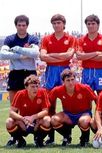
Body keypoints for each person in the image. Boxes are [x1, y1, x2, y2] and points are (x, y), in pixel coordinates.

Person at [0, 14, 39, 146]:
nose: (21, 27)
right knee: (14, 108)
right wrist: (24, 54)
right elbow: (2, 54)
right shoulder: (10, 39)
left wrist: (17, 50)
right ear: (16, 26)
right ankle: (16, 137)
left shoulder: (32, 38)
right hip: (15, 74)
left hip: (30, 74)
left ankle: (37, 135)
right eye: (19, 25)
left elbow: (35, 53)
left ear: (27, 26)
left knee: (34, 107)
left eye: (24, 25)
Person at [40, 14, 76, 145]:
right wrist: (61, 57)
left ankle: (68, 134)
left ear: (63, 24)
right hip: (51, 72)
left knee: (68, 104)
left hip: (65, 70)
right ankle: (51, 137)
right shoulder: (46, 39)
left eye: (59, 23)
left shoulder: (71, 38)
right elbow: (43, 57)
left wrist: (52, 56)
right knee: (50, 106)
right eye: (54, 23)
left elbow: (69, 55)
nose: (56, 25)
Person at [50, 69, 97, 146]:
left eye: (72, 79)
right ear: (63, 81)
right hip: (68, 114)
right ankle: (67, 136)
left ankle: (83, 138)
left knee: (84, 122)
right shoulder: (57, 90)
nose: (71, 82)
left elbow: (96, 100)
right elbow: (49, 102)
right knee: (54, 120)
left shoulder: (84, 88)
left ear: (75, 79)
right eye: (68, 80)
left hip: (83, 113)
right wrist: (50, 113)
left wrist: (97, 115)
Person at [5, 75, 51, 148]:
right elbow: (11, 112)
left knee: (47, 120)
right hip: (24, 122)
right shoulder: (20, 94)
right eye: (32, 86)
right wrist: (22, 119)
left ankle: (39, 139)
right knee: (9, 122)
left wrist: (33, 117)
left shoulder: (43, 92)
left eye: (37, 86)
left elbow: (46, 111)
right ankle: (20, 140)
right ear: (26, 87)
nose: (35, 89)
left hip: (37, 122)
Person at [76, 14, 102, 94]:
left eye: (93, 23)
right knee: (86, 96)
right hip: (87, 71)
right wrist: (96, 53)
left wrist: (86, 56)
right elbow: (79, 56)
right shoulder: (81, 40)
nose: (91, 26)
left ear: (98, 25)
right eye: (89, 24)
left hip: (100, 71)